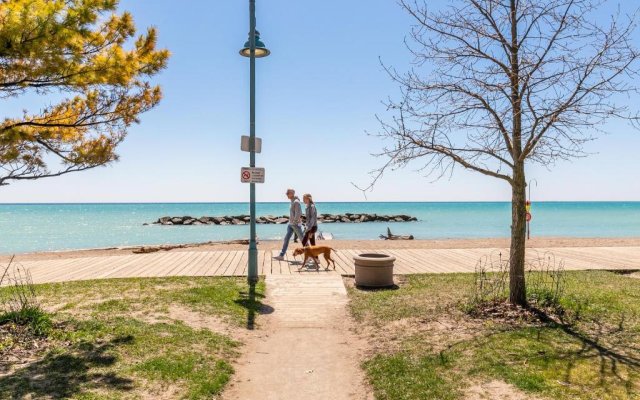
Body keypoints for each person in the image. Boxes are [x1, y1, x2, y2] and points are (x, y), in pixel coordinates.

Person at [273, 189, 304, 261]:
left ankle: (311, 256)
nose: (286, 194)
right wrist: (291, 222)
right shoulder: (292, 201)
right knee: (286, 239)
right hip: (291, 224)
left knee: (303, 240)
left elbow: (298, 213)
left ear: (292, 193)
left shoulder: (296, 202)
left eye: (288, 193)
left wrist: (294, 222)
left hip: (295, 224)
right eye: (286, 193)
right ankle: (281, 255)